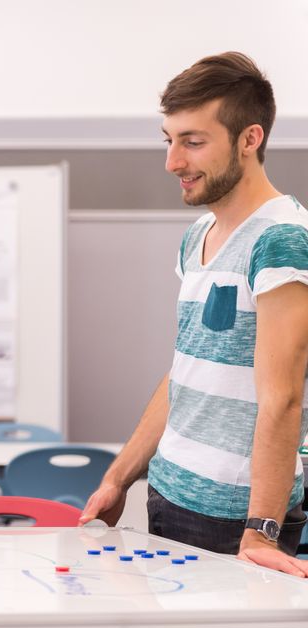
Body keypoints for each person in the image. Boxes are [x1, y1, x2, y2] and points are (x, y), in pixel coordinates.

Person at [80, 52, 308, 576]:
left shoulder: (281, 240)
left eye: (194, 142)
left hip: (236, 520)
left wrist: (263, 531)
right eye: (170, 140)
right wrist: (120, 477)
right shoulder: (196, 237)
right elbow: (186, 370)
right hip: (168, 495)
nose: (173, 162)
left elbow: (284, 397)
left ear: (250, 140)